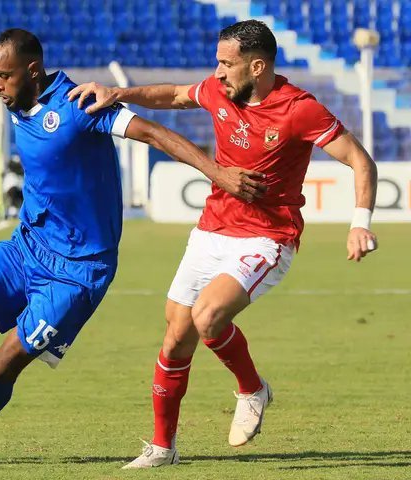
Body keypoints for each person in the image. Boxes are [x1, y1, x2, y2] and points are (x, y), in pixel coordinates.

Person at [0, 28, 267, 469]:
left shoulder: (79, 106)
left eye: (3, 76)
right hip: (26, 248)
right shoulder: (18, 100)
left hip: (77, 272)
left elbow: (154, 134)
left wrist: (217, 172)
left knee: (5, 361)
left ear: (32, 71)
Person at [68, 19, 378, 468]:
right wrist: (120, 94)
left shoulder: (299, 109)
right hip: (211, 230)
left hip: (268, 237)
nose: (217, 72)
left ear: (257, 66)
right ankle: (162, 448)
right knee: (176, 338)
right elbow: (174, 95)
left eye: (225, 63)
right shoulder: (219, 91)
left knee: (208, 316)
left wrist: (360, 221)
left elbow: (359, 160)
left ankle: (252, 389)